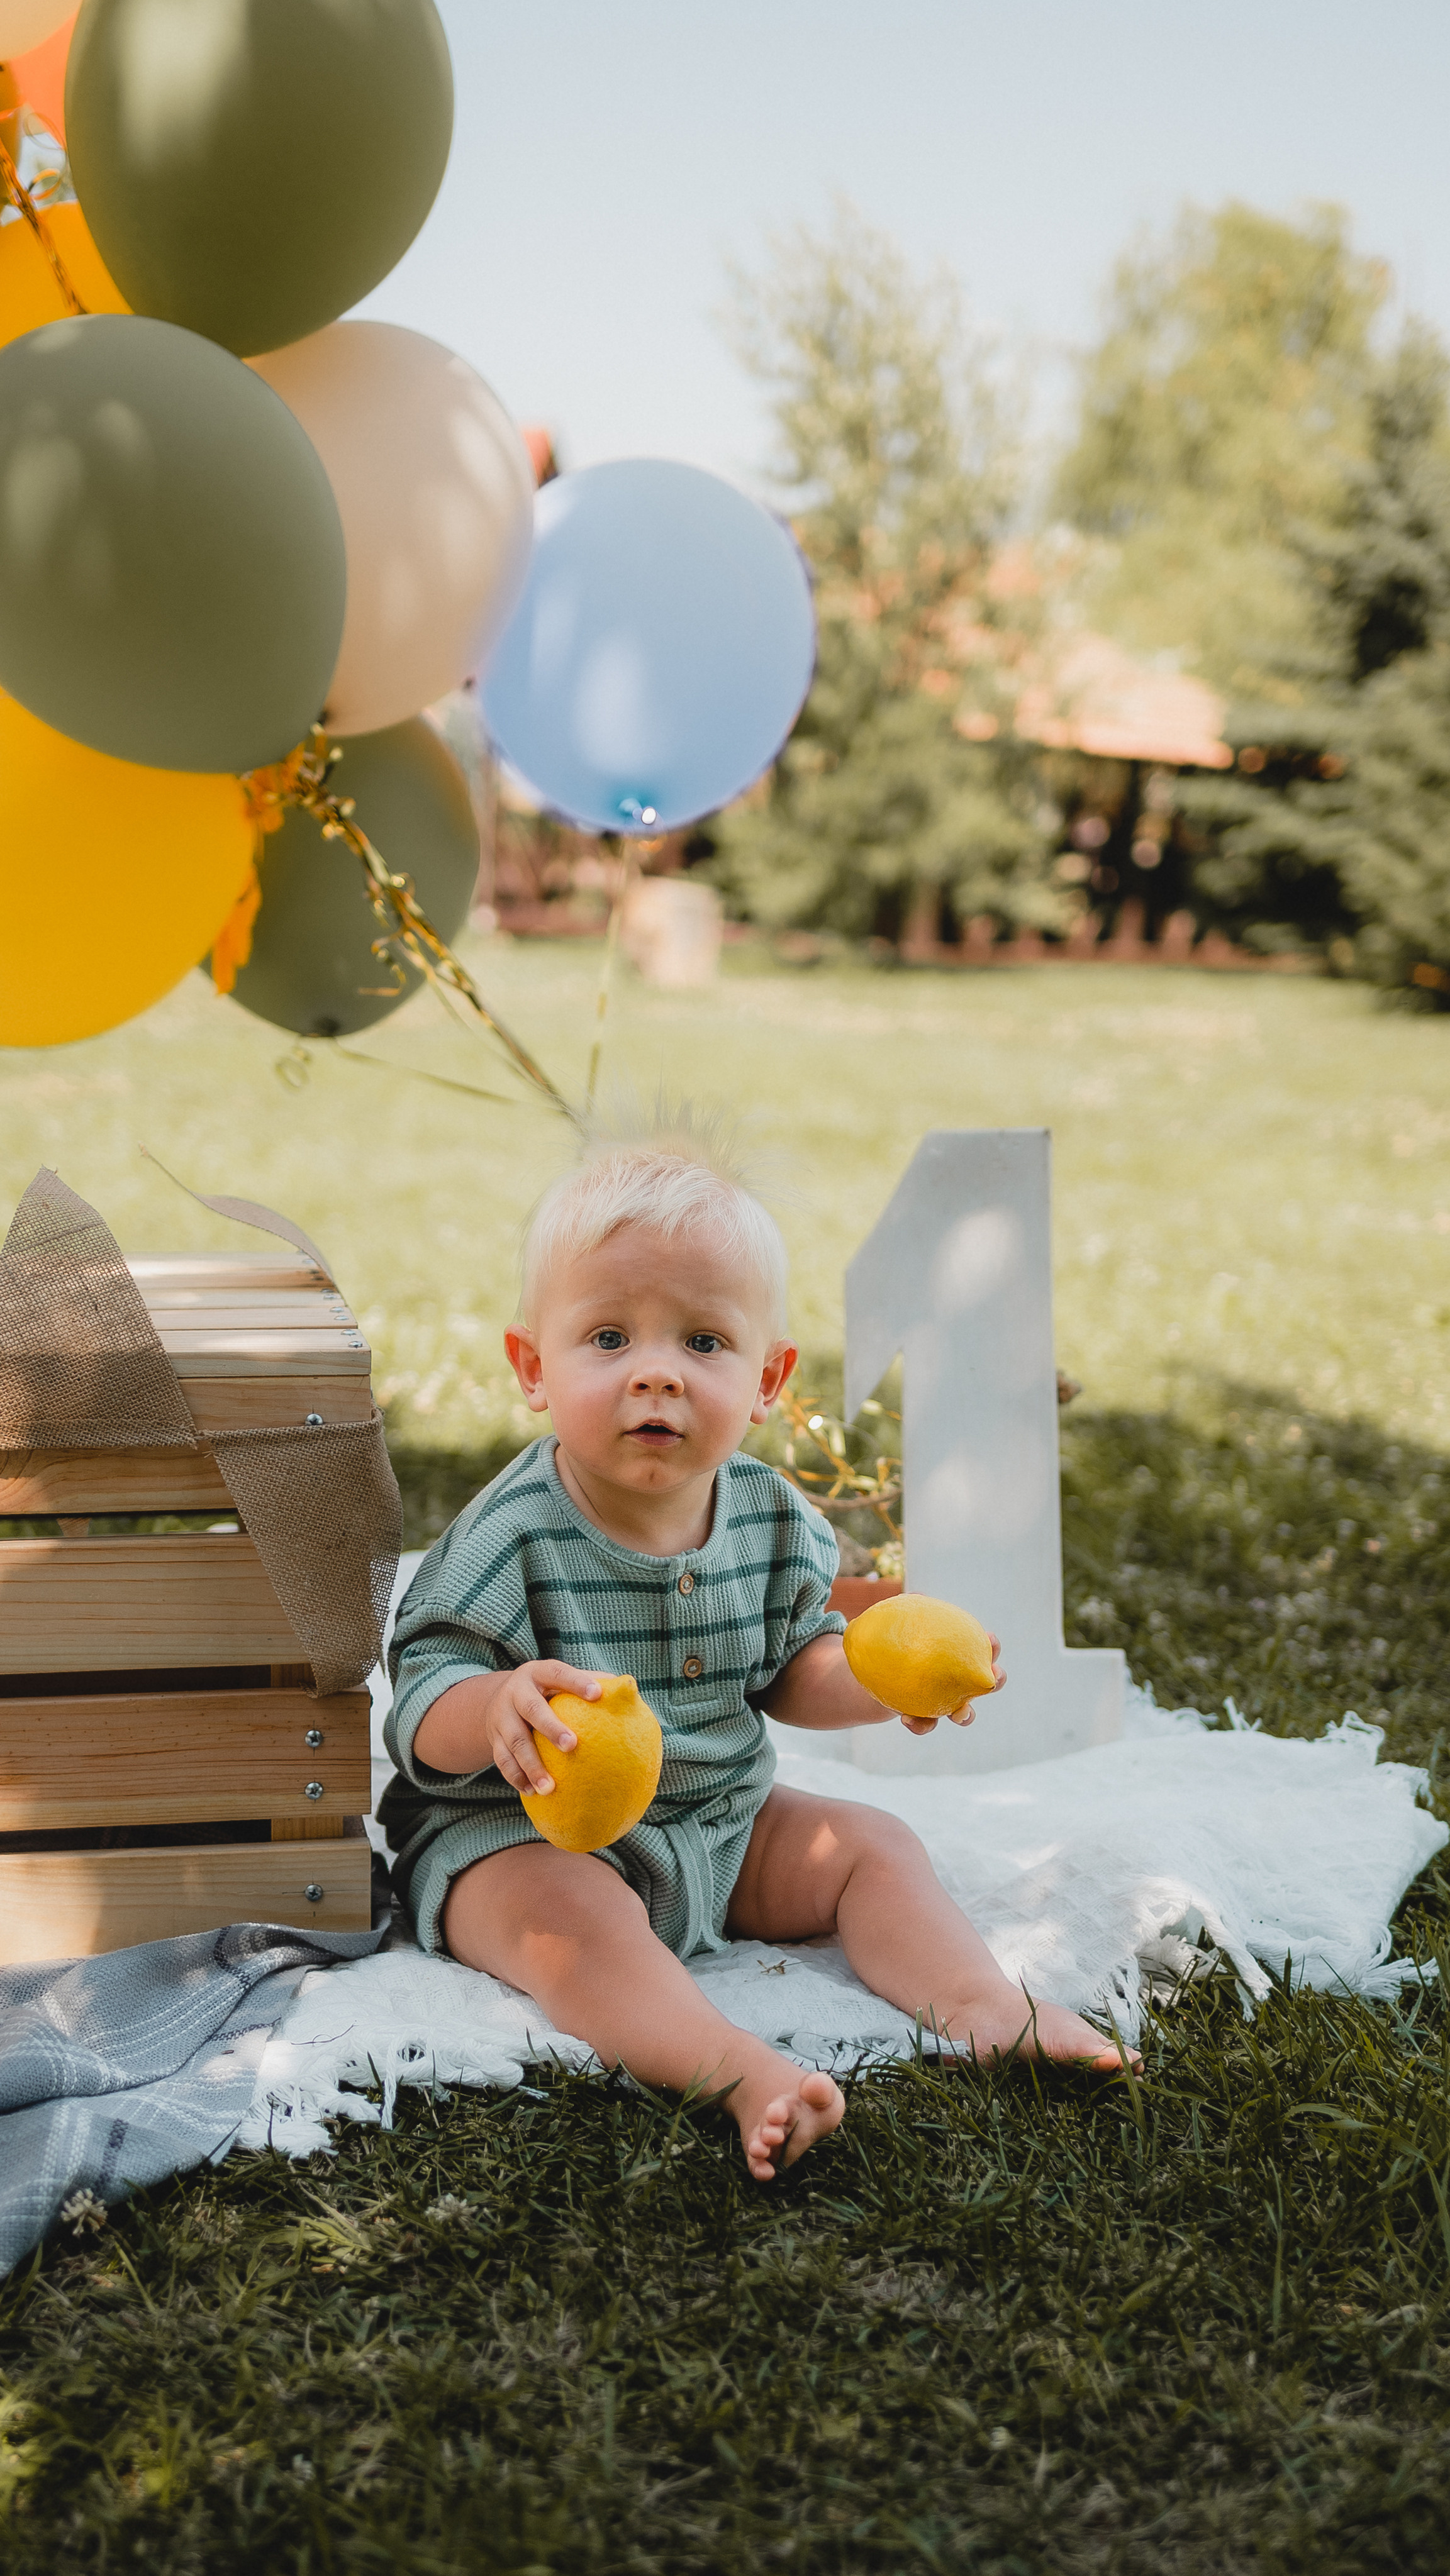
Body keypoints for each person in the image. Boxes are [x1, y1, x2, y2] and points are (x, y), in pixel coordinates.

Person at [378, 1113, 1132, 2183]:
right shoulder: (512, 1532)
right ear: (530, 1367)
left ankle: (982, 2006)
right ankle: (735, 2067)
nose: (657, 1375)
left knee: (869, 1845)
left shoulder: (773, 1520)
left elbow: (793, 1670)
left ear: (769, 1380)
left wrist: (874, 1679)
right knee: (573, 1922)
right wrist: (495, 1705)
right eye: (607, 1338)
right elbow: (420, 1696)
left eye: (701, 1341)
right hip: (520, 1834)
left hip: (717, 1820)